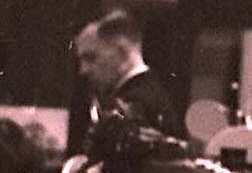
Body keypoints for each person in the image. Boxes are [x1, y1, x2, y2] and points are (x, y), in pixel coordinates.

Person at [73, 9, 184, 140]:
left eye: (91, 57)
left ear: (122, 49)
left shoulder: (135, 105)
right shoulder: (149, 95)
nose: (83, 70)